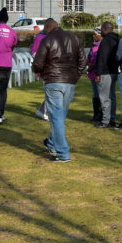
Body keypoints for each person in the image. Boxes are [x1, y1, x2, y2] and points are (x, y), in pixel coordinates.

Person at [31, 19, 87, 162]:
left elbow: (37, 63)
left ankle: (63, 153)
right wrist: (75, 76)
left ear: (48, 28)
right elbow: (83, 60)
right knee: (59, 117)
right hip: (69, 82)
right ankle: (51, 143)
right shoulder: (74, 38)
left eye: (44, 29)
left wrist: (41, 73)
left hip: (53, 81)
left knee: (56, 117)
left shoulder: (47, 39)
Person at [94, 22, 120, 128]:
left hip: (105, 72)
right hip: (114, 71)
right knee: (112, 96)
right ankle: (112, 118)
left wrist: (98, 73)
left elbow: (102, 58)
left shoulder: (106, 41)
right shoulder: (117, 40)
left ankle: (105, 121)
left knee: (104, 97)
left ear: (105, 29)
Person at [88, 27, 103, 122]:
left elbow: (100, 60)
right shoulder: (93, 45)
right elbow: (89, 57)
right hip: (92, 73)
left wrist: (93, 66)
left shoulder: (102, 45)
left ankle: (101, 114)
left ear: (100, 35)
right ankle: (96, 114)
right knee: (95, 94)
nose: (94, 36)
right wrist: (88, 64)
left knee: (100, 94)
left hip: (98, 72)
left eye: (95, 34)